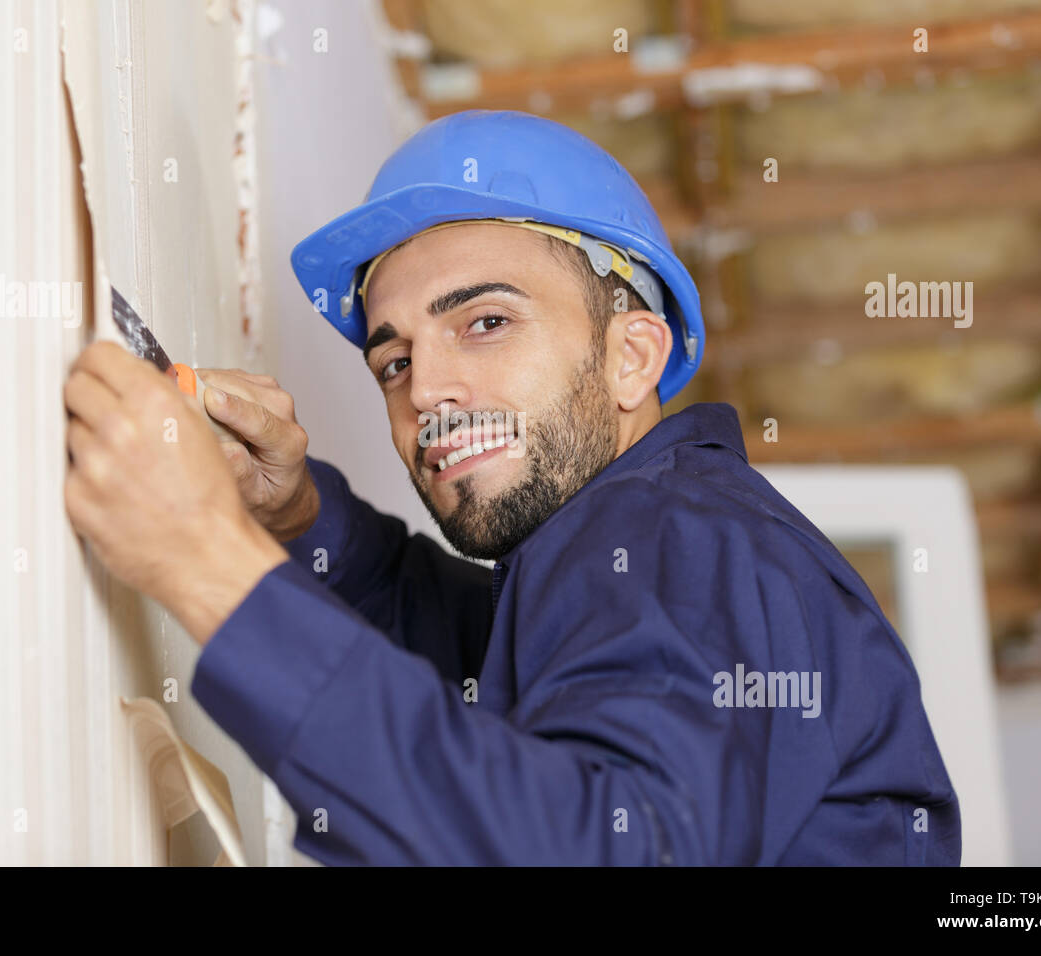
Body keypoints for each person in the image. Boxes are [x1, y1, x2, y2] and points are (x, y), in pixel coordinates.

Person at [64, 110, 961, 865]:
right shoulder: (607, 569)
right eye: (395, 360)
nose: (427, 390)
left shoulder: (676, 533)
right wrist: (295, 517)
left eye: (486, 321)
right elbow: (456, 666)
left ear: (630, 357)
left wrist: (203, 558)